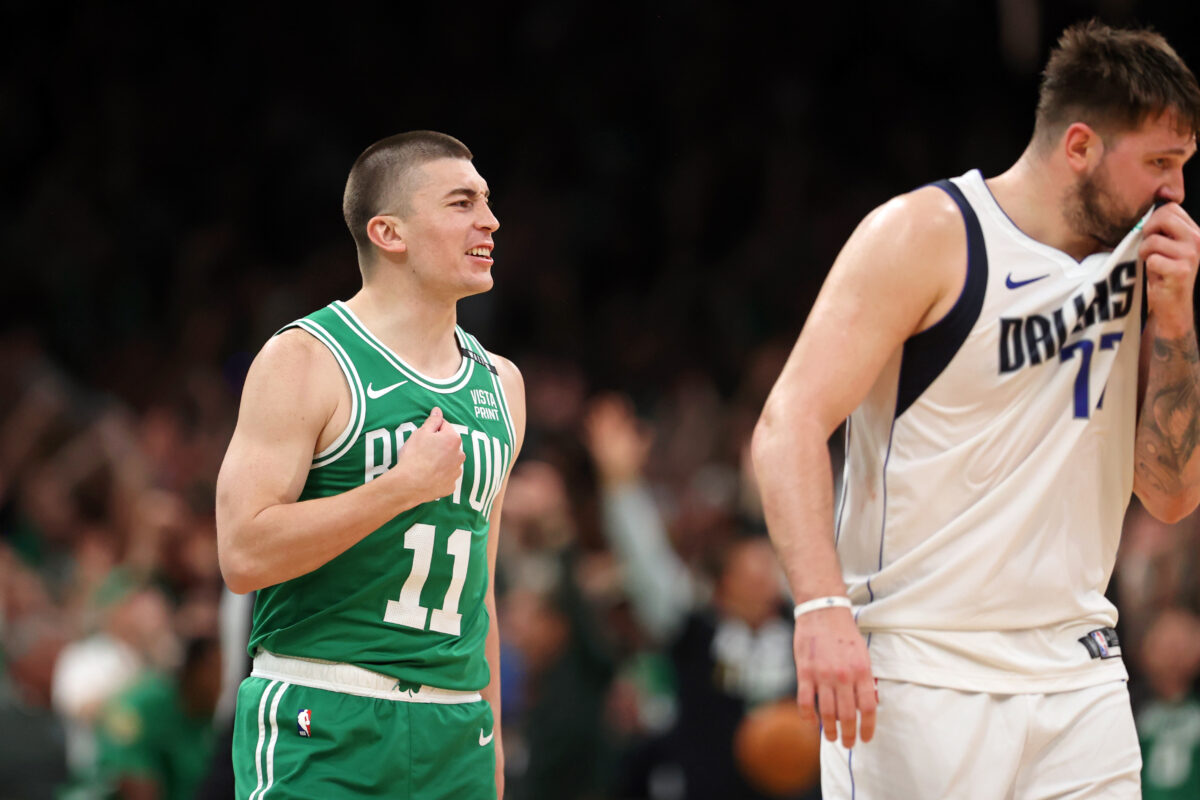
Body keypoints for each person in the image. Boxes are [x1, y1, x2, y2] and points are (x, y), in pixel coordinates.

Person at [752, 21, 1200, 799]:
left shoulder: (1143, 268)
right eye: (1160, 163)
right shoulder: (928, 234)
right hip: (921, 669)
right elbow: (786, 423)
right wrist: (820, 606)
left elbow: (1170, 495)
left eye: (1185, 165)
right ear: (1081, 147)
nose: (1177, 193)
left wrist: (1176, 321)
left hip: (1078, 673)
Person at [215, 130, 525, 799]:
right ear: (389, 232)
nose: (490, 220)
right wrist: (400, 489)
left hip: (456, 729)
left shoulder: (502, 384)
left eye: (488, 201)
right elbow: (243, 554)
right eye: (461, 202)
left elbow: (482, 594)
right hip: (322, 714)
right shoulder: (305, 359)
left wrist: (492, 745)